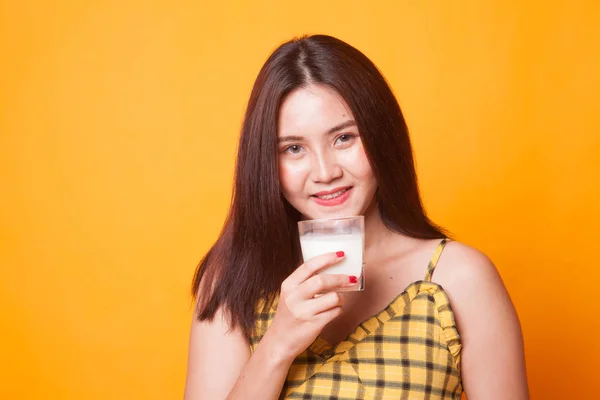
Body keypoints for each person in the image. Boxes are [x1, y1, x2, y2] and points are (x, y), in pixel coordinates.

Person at [184, 34, 529, 400]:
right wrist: (277, 345)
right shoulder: (232, 281)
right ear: (266, 162)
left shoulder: (460, 278)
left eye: (344, 138)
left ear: (383, 137)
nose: (324, 171)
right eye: (294, 148)